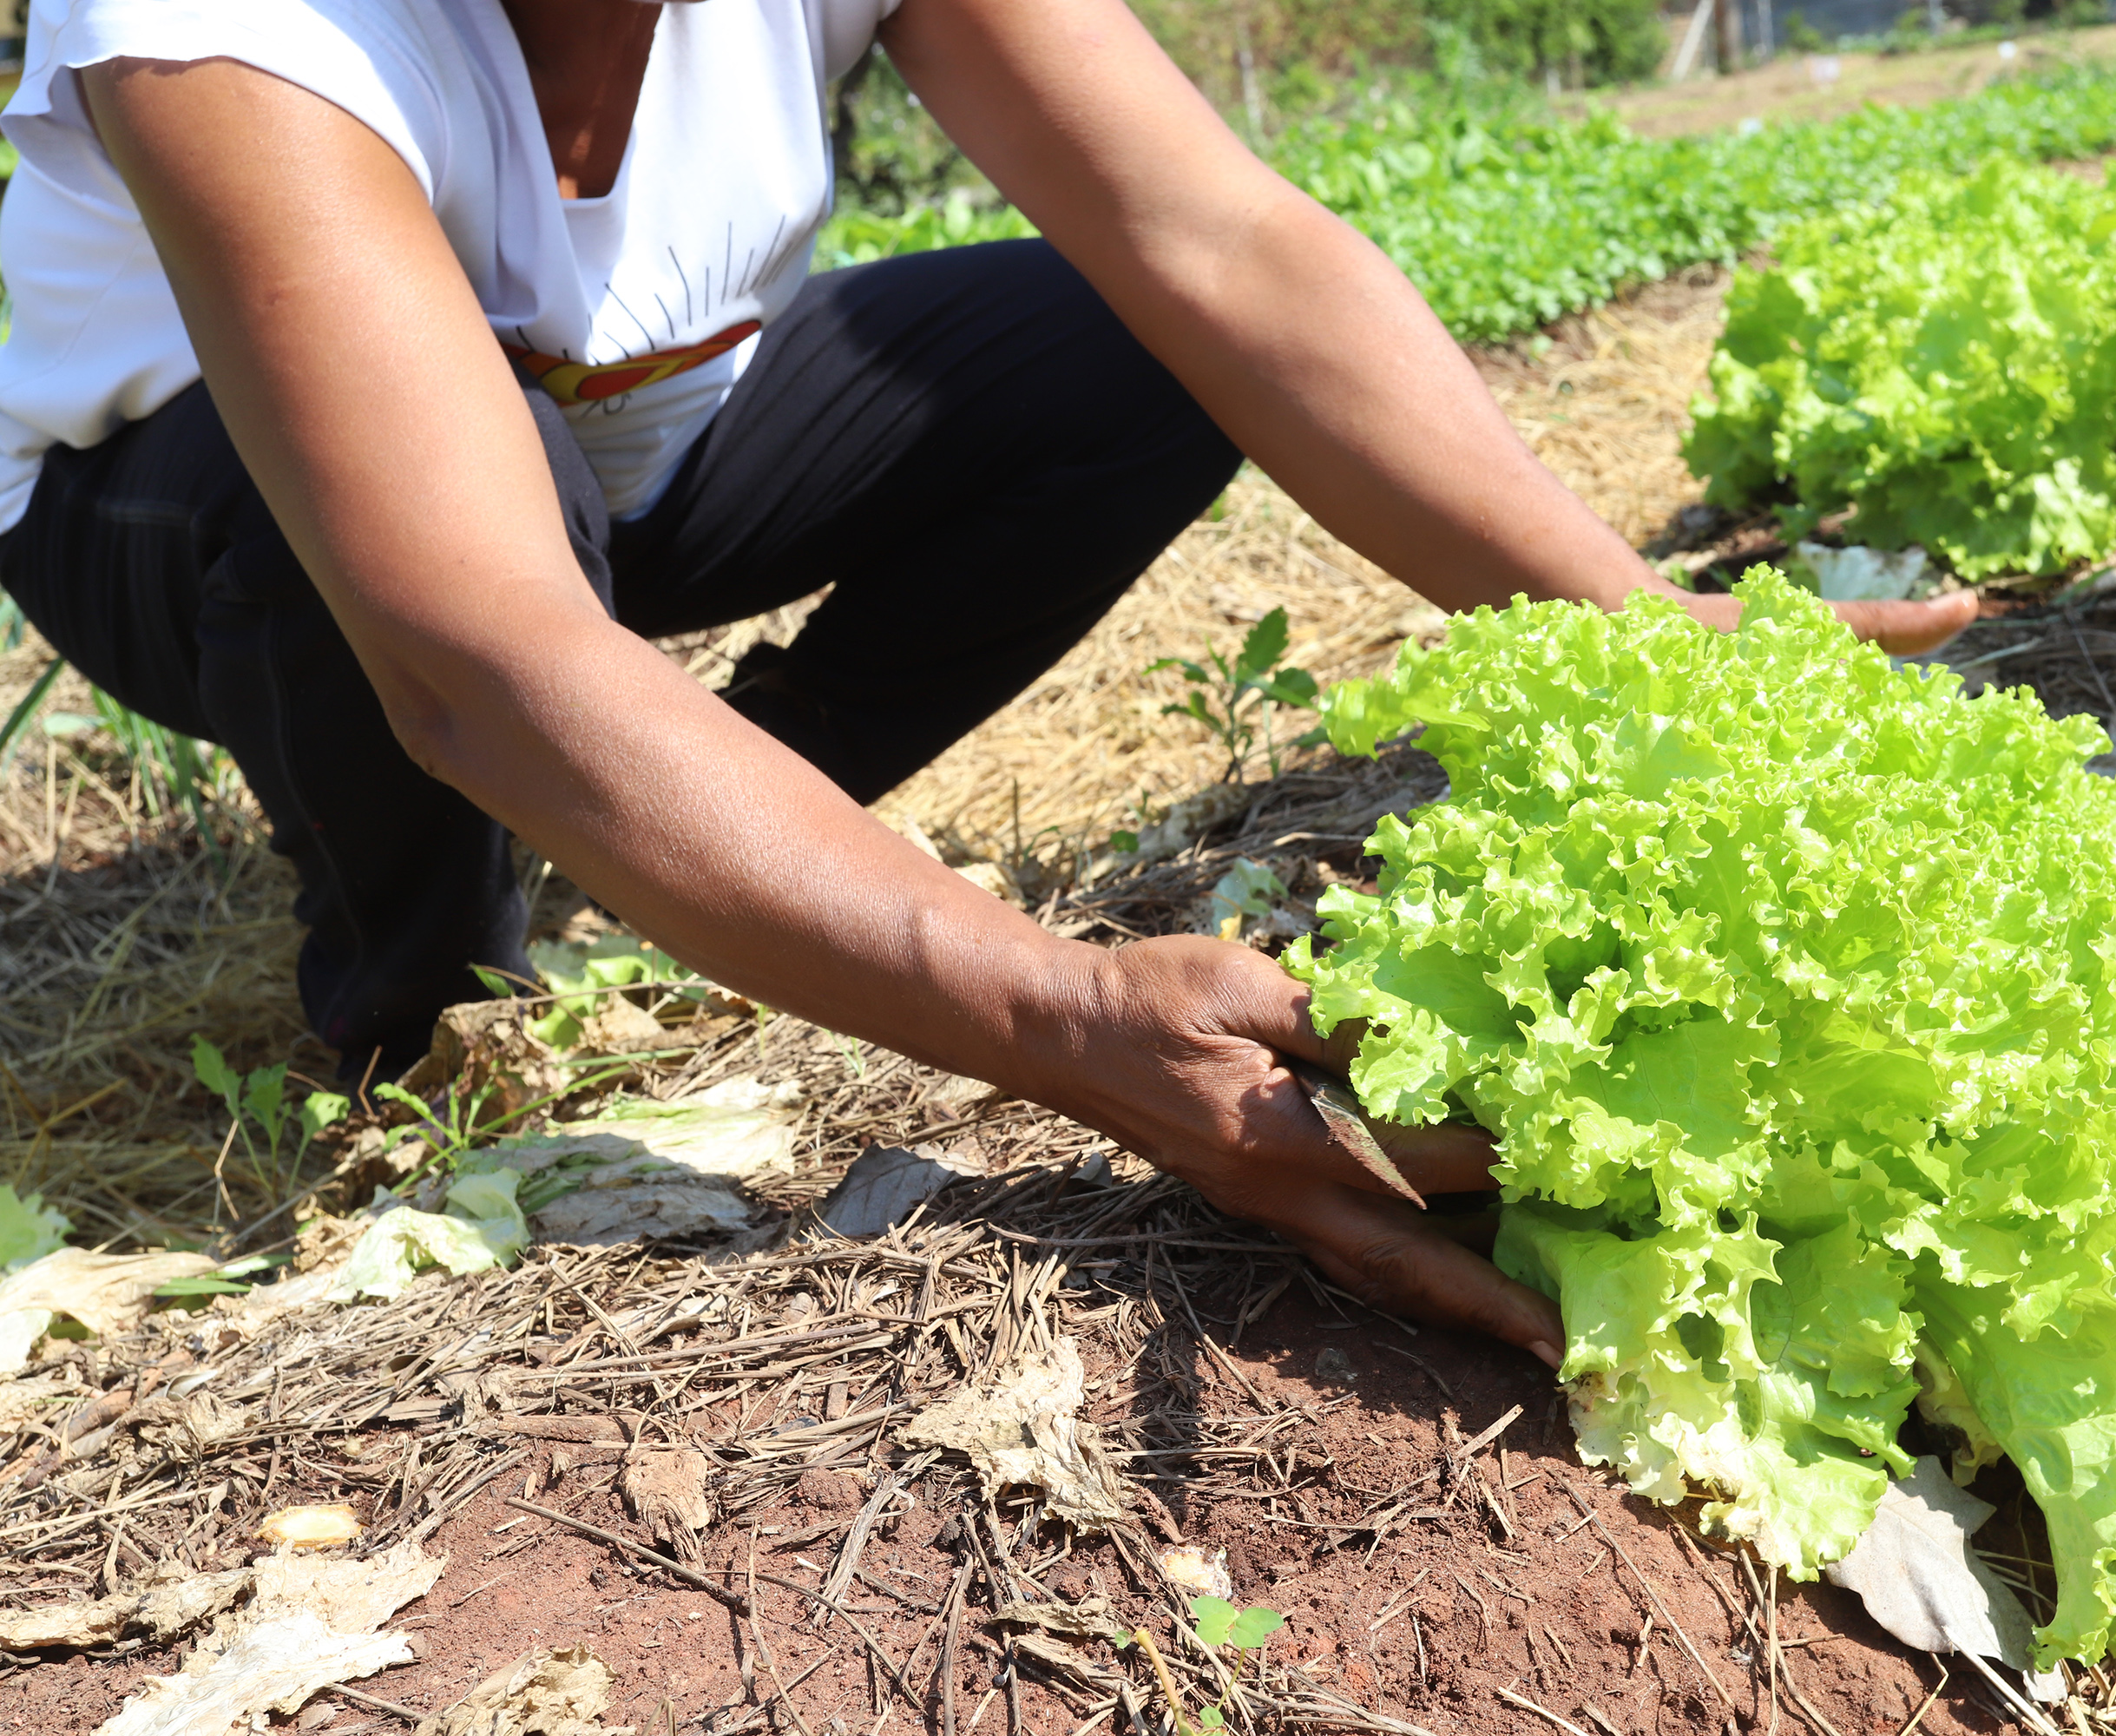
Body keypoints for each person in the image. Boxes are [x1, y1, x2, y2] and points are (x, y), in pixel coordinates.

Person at [0, 0, 1975, 1361]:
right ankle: (420, 1016)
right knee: (469, 575)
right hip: (200, 499)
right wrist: (1054, 1009)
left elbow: (1221, 244)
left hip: (640, 447)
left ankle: (709, 815)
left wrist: (1625, 622)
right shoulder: (228, 25)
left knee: (1122, 347)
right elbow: (474, 647)